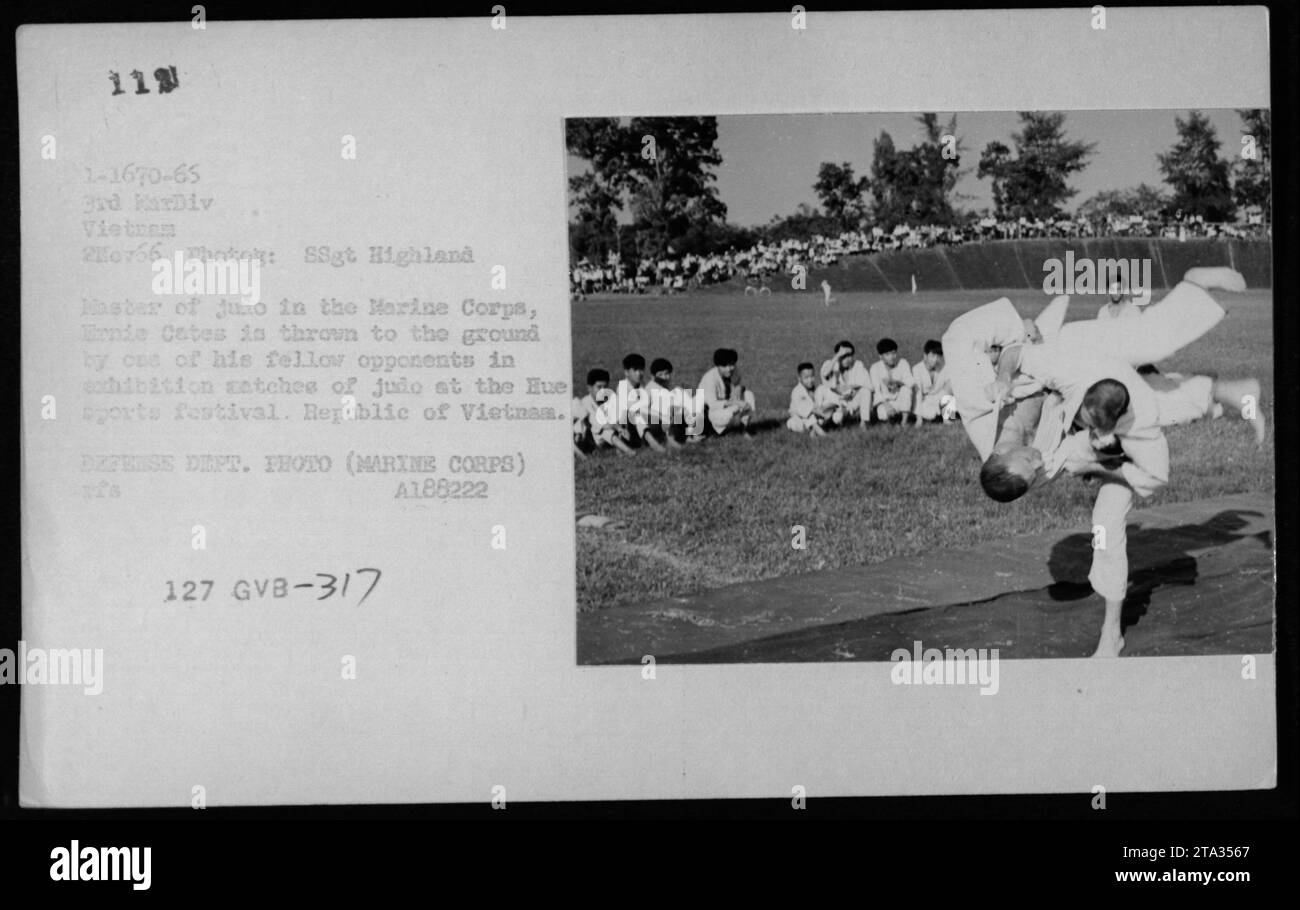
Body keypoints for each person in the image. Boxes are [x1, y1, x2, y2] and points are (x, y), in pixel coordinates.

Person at [973, 267, 1252, 657]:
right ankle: (1111, 632)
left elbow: (1015, 357)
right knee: (1106, 518)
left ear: (1004, 453)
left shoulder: (1014, 426)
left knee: (1148, 344)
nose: (1035, 460)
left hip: (1078, 358)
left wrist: (1005, 378)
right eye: (1033, 471)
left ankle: (1194, 284)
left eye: (1027, 458)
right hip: (1085, 420)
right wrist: (1103, 461)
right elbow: (1066, 458)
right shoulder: (1026, 473)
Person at [696, 348, 756, 439]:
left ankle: (744, 428)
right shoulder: (710, 378)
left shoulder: (735, 371)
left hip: (725, 403)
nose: (729, 369)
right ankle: (709, 429)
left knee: (748, 395)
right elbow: (713, 404)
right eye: (724, 366)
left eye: (731, 365)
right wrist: (736, 403)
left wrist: (740, 387)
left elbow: (741, 383)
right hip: (706, 411)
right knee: (729, 413)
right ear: (717, 366)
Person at [572, 368, 634, 458]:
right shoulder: (585, 403)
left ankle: (621, 448)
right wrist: (615, 426)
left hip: (609, 436)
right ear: (589, 388)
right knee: (604, 430)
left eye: (605, 387)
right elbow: (596, 424)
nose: (602, 391)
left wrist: (621, 427)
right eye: (599, 387)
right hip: (592, 437)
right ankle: (627, 450)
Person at [615, 353, 664, 452]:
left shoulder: (641, 386)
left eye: (641, 369)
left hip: (640, 425)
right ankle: (652, 443)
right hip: (627, 427)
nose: (639, 373)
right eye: (635, 370)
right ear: (626, 372)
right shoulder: (622, 387)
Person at [819, 340, 872, 427]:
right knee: (837, 418)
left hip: (852, 401)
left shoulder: (858, 365)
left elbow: (868, 385)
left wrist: (852, 391)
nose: (847, 359)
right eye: (844, 356)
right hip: (837, 403)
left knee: (866, 391)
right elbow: (824, 373)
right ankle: (835, 422)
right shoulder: (831, 364)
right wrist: (838, 355)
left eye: (850, 356)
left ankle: (864, 423)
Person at [787, 361, 846, 436]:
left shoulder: (820, 388)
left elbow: (835, 399)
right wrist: (822, 412)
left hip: (819, 416)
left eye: (812, 376)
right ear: (799, 379)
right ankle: (822, 434)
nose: (810, 380)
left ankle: (819, 429)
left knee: (837, 414)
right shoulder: (797, 392)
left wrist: (829, 407)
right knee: (806, 419)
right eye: (806, 378)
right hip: (800, 419)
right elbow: (807, 411)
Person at [869, 338, 917, 424]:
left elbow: (910, 382)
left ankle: (904, 421)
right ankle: (889, 420)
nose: (891, 357)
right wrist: (886, 405)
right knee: (883, 415)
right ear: (880, 356)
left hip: (899, 399)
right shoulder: (875, 368)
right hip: (885, 401)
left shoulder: (902, 363)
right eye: (887, 354)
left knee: (906, 389)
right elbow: (876, 390)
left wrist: (898, 383)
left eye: (894, 353)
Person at [644, 357, 686, 449]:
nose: (664, 377)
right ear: (653, 376)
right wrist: (660, 415)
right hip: (656, 423)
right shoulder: (650, 388)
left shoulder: (667, 387)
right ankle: (669, 440)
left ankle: (685, 436)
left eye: (666, 373)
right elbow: (643, 408)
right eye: (660, 374)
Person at [912, 339, 954, 422]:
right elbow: (918, 394)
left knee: (952, 384)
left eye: (938, 356)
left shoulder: (943, 367)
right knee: (930, 416)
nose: (935, 359)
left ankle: (946, 418)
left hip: (938, 397)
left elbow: (950, 386)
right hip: (924, 400)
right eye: (933, 356)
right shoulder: (917, 369)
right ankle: (931, 414)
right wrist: (918, 419)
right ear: (925, 355)